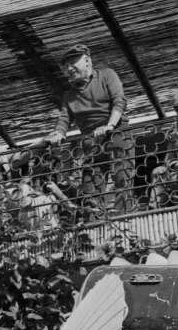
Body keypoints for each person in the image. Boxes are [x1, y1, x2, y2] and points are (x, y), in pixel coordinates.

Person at [47, 44, 133, 217]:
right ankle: (95, 221)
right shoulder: (70, 95)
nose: (69, 69)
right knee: (90, 183)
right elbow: (64, 118)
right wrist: (59, 133)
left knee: (122, 175)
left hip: (116, 132)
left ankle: (126, 216)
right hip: (91, 140)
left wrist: (109, 125)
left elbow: (119, 101)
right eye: (66, 67)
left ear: (87, 61)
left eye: (72, 63)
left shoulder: (107, 75)